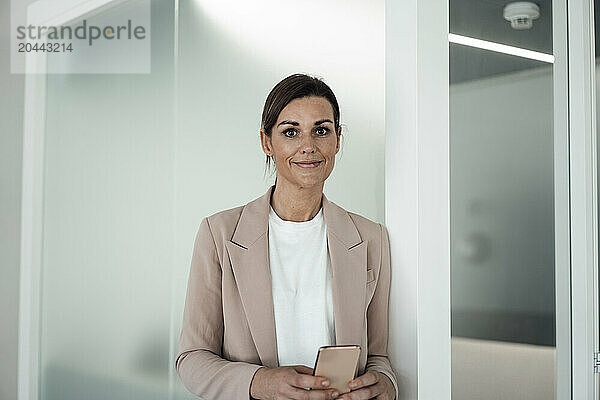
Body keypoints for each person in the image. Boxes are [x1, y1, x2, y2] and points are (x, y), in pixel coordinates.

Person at [175, 73, 398, 400]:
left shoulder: (371, 238)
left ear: (338, 140)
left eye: (321, 131)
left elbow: (378, 355)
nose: (308, 147)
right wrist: (260, 383)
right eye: (291, 132)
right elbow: (192, 358)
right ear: (267, 142)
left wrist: (385, 384)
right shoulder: (219, 234)